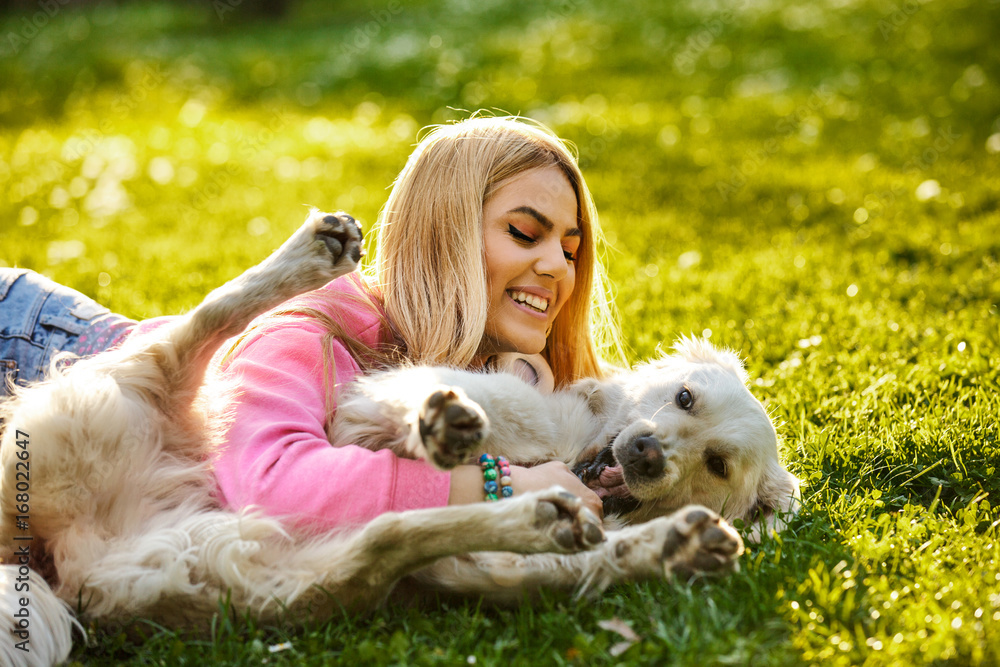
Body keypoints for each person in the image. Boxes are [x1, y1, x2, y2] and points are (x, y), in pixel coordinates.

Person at [0, 116, 621, 530]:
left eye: (570, 248)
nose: (557, 268)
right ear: (444, 235)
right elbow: (270, 486)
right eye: (524, 232)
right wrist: (498, 485)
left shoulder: (489, 360)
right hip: (28, 350)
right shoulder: (312, 331)